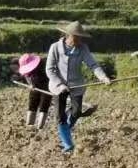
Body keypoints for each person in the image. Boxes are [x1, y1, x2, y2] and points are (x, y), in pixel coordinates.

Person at [45, 21, 112, 153]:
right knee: (60, 116)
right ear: (68, 35)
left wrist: (103, 77)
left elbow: (93, 65)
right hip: (58, 86)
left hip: (77, 85)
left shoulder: (83, 48)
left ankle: (66, 131)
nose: (79, 40)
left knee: (76, 112)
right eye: (76, 37)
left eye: (80, 37)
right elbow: (50, 69)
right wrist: (60, 84)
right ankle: (68, 144)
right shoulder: (55, 47)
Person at [18, 52, 52, 128]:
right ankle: (29, 125)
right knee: (32, 103)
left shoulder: (45, 64)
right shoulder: (27, 71)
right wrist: (30, 84)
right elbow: (26, 76)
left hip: (47, 86)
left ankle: (40, 127)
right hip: (34, 87)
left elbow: (52, 76)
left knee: (44, 105)